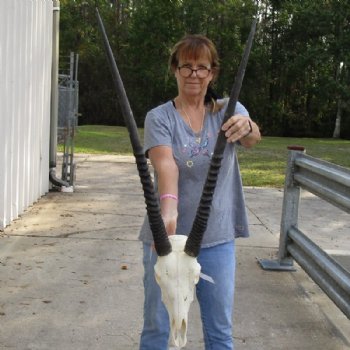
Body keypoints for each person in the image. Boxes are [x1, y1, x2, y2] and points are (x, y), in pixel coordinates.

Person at [138, 34, 261, 350]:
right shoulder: (159, 116)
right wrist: (168, 207)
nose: (194, 74)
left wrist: (247, 127)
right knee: (157, 325)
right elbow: (166, 164)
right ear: (175, 70)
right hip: (165, 239)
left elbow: (252, 138)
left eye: (201, 67)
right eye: (186, 66)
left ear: (212, 73)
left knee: (220, 330)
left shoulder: (228, 111)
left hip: (216, 238)